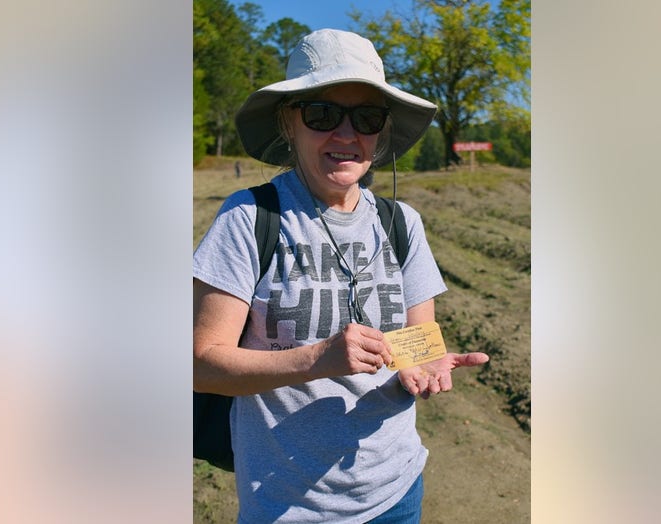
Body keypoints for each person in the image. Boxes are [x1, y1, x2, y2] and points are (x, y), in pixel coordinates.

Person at [193, 28, 489, 523]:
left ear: (382, 130)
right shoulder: (249, 218)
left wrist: (423, 360)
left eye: (367, 117)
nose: (347, 135)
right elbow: (201, 364)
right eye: (323, 114)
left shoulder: (402, 223)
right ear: (290, 121)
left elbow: (418, 335)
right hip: (286, 504)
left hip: (395, 492)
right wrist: (318, 358)